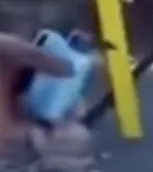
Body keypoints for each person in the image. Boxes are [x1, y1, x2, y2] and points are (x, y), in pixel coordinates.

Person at [0, 32, 92, 171]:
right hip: (19, 138)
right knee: (76, 137)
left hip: (16, 139)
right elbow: (65, 69)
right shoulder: (9, 47)